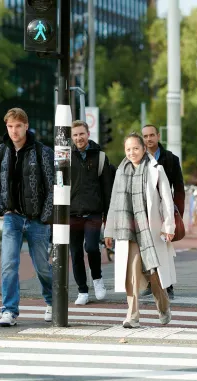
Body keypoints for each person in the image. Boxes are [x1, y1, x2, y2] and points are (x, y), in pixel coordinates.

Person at [0, 108, 54, 327]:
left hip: (36, 220)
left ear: (26, 126)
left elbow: (53, 185)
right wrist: (1, 208)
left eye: (18, 126)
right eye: (10, 126)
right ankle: (9, 310)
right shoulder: (0, 152)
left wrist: (45, 216)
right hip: (12, 218)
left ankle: (53, 302)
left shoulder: (42, 151)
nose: (14, 131)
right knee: (8, 264)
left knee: (42, 266)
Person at [104, 132, 176, 328]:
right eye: (128, 149)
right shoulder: (120, 172)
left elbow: (167, 201)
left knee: (153, 274)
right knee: (132, 272)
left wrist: (168, 226)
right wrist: (109, 231)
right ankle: (132, 315)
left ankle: (163, 306)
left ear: (144, 149)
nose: (131, 152)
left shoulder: (156, 169)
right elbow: (114, 203)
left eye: (135, 148)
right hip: (128, 230)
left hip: (150, 230)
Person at [69, 120, 115, 306]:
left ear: (88, 134)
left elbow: (107, 190)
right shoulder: (65, 157)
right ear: (71, 137)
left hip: (94, 212)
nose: (79, 138)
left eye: (81, 133)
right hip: (72, 214)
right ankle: (82, 290)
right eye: (75, 135)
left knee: (91, 247)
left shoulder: (100, 157)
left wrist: (108, 217)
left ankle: (97, 279)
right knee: (75, 252)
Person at [141, 124, 185, 299]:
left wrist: (177, 212)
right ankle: (151, 283)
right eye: (145, 136)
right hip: (144, 210)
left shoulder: (171, 159)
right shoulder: (139, 158)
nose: (149, 139)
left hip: (164, 210)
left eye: (152, 135)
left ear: (158, 136)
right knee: (146, 248)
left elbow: (179, 187)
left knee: (165, 249)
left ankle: (168, 286)